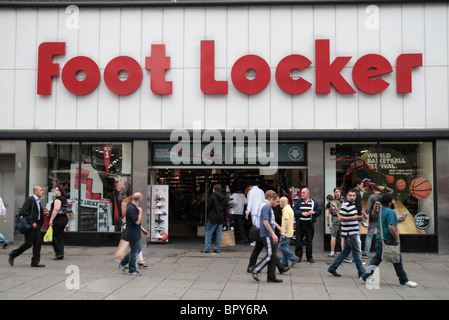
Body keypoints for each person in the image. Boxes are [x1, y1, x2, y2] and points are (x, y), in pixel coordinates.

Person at [360, 193, 417, 287]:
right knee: (397, 259)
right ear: (390, 202)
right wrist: (396, 238)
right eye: (393, 200)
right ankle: (404, 280)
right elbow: (391, 227)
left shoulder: (382, 210)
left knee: (377, 258)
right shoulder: (391, 212)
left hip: (379, 238)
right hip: (388, 240)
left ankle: (365, 276)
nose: (394, 201)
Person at [327, 189, 365, 278]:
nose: (352, 197)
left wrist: (359, 219)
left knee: (345, 252)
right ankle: (362, 273)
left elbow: (351, 217)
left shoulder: (352, 205)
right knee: (356, 252)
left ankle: (333, 267)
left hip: (351, 232)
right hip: (350, 233)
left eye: (353, 196)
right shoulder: (345, 205)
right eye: (350, 195)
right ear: (347, 196)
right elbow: (340, 218)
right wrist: (354, 218)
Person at [251, 192, 284, 283]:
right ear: (272, 199)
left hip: (268, 234)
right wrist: (273, 234)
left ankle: (271, 277)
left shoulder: (269, 208)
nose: (278, 204)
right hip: (267, 235)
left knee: (273, 255)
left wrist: (278, 228)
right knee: (270, 255)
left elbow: (271, 221)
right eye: (277, 202)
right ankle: (256, 269)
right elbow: (265, 222)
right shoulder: (266, 208)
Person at [9, 186, 45, 267]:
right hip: (31, 225)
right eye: (40, 190)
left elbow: (39, 213)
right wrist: (32, 222)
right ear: (35, 191)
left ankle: (35, 262)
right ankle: (13, 254)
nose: (42, 192)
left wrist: (39, 223)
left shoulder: (38, 201)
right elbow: (24, 212)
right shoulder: (30, 200)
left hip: (37, 225)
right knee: (28, 243)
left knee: (38, 243)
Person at [362, 185, 393, 258]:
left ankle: (366, 253)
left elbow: (367, 209)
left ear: (373, 190)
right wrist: (385, 188)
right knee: (383, 235)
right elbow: (391, 191)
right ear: (380, 190)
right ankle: (384, 252)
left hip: (373, 219)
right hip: (383, 219)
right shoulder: (385, 196)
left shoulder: (372, 197)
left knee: (369, 235)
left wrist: (364, 219)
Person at [293, 187, 321, 263]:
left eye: (303, 193)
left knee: (309, 241)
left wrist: (314, 212)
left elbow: (319, 211)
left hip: (309, 224)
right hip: (300, 224)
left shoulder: (313, 202)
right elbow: (294, 211)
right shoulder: (298, 202)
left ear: (308, 194)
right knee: (298, 241)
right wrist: (301, 213)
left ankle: (309, 257)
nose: (301, 194)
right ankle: (298, 257)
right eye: (301, 193)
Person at [118, 192, 144, 276]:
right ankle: (132, 270)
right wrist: (140, 212)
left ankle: (122, 262)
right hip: (132, 233)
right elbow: (137, 221)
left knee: (137, 249)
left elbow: (135, 222)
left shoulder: (133, 207)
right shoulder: (132, 208)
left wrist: (142, 229)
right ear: (140, 199)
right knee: (134, 252)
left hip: (134, 232)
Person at [202, 184, 227, 253]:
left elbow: (209, 206)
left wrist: (206, 215)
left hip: (213, 217)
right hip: (220, 218)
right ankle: (217, 248)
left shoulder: (212, 196)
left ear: (214, 190)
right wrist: (225, 219)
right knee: (219, 234)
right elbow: (225, 210)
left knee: (208, 232)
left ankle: (207, 248)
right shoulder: (224, 198)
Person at [49, 184, 69, 260]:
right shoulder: (64, 198)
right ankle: (61, 253)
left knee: (53, 236)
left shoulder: (58, 199)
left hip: (58, 220)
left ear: (60, 191)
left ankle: (59, 252)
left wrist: (51, 219)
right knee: (59, 236)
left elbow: (56, 209)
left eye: (57, 190)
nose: (55, 191)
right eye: (55, 189)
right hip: (63, 219)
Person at [279, 197, 299, 267]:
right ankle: (285, 263)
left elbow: (286, 221)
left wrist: (285, 232)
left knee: (281, 246)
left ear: (283, 202)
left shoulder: (285, 210)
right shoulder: (290, 209)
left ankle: (293, 257)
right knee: (285, 247)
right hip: (290, 232)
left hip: (285, 232)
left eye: (280, 202)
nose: (279, 204)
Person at [326, 188, 345, 257]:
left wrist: (328, 224)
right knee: (342, 236)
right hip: (343, 218)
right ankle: (343, 252)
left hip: (335, 218)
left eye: (338, 192)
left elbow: (327, 215)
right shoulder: (344, 201)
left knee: (333, 236)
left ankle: (332, 252)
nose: (337, 193)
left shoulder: (330, 202)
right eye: (337, 192)